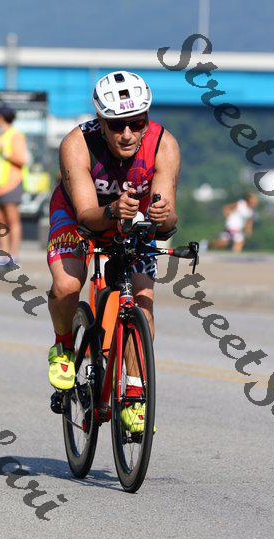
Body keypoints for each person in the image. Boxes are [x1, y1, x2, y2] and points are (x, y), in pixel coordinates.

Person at [47, 71, 180, 431]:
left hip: (133, 220)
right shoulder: (77, 143)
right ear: (100, 121)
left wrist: (163, 216)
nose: (127, 134)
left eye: (137, 123)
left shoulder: (164, 144)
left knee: (143, 302)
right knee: (67, 285)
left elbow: (169, 221)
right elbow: (87, 216)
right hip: (80, 215)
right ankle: (63, 346)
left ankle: (134, 393)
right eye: (117, 125)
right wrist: (112, 211)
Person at [0, 105, 28, 265]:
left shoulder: (15, 135)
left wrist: (6, 153)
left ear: (0, 117)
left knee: (13, 220)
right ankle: (4, 256)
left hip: (11, 185)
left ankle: (14, 255)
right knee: (0, 223)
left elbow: (22, 159)